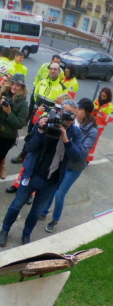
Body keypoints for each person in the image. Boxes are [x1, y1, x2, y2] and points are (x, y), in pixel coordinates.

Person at [0, 101, 83, 247]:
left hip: (52, 180)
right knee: (16, 205)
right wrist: (40, 131)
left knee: (36, 212)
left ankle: (26, 234)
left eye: (72, 114)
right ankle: (5, 230)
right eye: (66, 113)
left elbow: (77, 157)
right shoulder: (47, 122)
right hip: (33, 175)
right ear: (60, 112)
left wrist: (66, 140)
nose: (69, 117)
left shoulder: (75, 132)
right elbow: (29, 147)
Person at [41, 98, 98, 233]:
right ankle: (43, 211)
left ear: (87, 113)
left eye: (80, 110)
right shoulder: (71, 121)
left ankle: (55, 219)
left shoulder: (92, 131)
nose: (76, 113)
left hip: (75, 166)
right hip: (63, 161)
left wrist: (69, 139)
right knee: (52, 187)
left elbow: (83, 152)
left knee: (60, 193)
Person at [12, 62, 67, 164]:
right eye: (51, 68)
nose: (52, 71)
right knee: (30, 134)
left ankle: (35, 158)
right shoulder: (42, 82)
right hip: (35, 114)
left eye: (55, 69)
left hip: (47, 118)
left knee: (41, 138)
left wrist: (47, 111)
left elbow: (61, 106)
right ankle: (23, 154)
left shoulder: (62, 88)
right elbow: (34, 97)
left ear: (59, 72)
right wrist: (31, 113)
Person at [88, 87, 113, 162]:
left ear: (108, 97)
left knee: (93, 143)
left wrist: (102, 113)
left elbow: (109, 119)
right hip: (90, 123)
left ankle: (88, 159)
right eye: (102, 95)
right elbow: (90, 112)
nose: (103, 97)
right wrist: (94, 111)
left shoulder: (110, 106)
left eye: (105, 96)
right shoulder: (96, 101)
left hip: (99, 128)